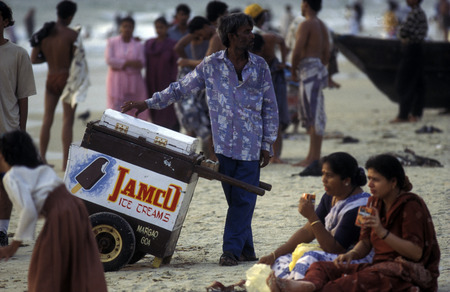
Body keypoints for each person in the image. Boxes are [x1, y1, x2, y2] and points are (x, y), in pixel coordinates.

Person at [122, 12, 279, 266]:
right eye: (246, 33)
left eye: (252, 32)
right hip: (224, 147)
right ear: (231, 36)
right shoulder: (211, 65)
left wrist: (267, 143)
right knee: (238, 201)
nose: (252, 36)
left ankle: (230, 251)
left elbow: (270, 107)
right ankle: (247, 250)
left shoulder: (260, 66)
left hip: (252, 147)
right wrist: (147, 103)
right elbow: (180, 88)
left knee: (243, 200)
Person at [267, 154, 440, 292]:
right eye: (369, 178)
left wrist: (382, 232)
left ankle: (306, 287)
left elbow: (416, 254)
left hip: (404, 268)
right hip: (376, 264)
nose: (370, 184)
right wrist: (352, 255)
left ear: (393, 182)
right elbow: (364, 242)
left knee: (349, 282)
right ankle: (308, 285)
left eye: (376, 180)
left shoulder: (410, 205)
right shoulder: (372, 203)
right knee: (321, 267)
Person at [0, 130, 107, 292]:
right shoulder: (39, 168)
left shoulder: (12, 176)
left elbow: (29, 211)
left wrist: (13, 246)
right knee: (76, 266)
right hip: (76, 209)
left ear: (3, 155)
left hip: (60, 214)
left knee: (45, 270)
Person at [259, 152, 372, 279]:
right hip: (332, 252)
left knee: (308, 259)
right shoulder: (332, 195)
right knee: (282, 259)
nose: (323, 179)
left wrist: (312, 217)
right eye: (323, 173)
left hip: (351, 258)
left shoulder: (359, 207)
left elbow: (335, 248)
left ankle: (294, 285)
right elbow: (307, 231)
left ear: (346, 180)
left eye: (329, 175)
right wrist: (274, 255)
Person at [30, 0, 86, 171]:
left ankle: (43, 159)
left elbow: (33, 59)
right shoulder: (72, 35)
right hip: (67, 79)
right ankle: (65, 163)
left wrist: (49, 58)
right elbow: (78, 61)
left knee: (47, 119)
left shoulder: (44, 33)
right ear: (70, 16)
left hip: (51, 78)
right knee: (67, 121)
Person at [0, 0, 37, 247]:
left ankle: (2, 230)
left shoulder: (18, 54)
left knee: (5, 181)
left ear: (5, 21)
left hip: (8, 129)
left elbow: (23, 97)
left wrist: (21, 132)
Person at [245, 3, 289, 164]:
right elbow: (283, 41)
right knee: (273, 115)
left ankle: (266, 154)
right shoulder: (268, 36)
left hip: (253, 78)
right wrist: (284, 62)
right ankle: (275, 155)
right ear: (261, 17)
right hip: (271, 77)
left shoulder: (244, 36)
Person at [290, 0, 329, 172]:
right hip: (318, 67)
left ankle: (313, 157)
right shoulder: (321, 24)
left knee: (312, 113)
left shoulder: (306, 24)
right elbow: (328, 51)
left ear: (306, 4)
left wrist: (293, 70)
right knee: (316, 113)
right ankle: (313, 155)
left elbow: (297, 50)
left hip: (308, 70)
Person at [174, 16, 216, 160]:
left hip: (208, 82)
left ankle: (210, 158)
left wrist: (187, 62)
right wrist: (193, 33)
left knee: (205, 123)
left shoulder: (215, 37)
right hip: (202, 83)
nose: (200, 37)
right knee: (194, 120)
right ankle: (192, 156)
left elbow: (206, 63)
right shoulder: (200, 37)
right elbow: (178, 47)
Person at [391, 0, 428, 123]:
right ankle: (415, 114)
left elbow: (402, 31)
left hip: (412, 50)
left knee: (404, 83)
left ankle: (404, 115)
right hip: (418, 49)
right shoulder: (418, 13)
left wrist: (403, 36)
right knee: (416, 83)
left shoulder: (415, 14)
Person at [105, 16, 148, 121]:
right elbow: (109, 60)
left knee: (136, 110)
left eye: (130, 27)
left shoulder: (138, 45)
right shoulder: (112, 42)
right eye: (125, 26)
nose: (127, 29)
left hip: (135, 82)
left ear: (133, 28)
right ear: (120, 27)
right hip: (116, 81)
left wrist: (120, 64)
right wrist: (128, 62)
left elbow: (142, 63)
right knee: (116, 109)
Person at [144, 17, 180, 131]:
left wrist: (174, 80)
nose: (159, 30)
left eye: (161, 27)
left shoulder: (173, 44)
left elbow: (176, 64)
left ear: (167, 28)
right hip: (151, 81)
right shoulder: (149, 43)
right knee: (153, 106)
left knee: (167, 110)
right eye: (157, 27)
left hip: (166, 81)